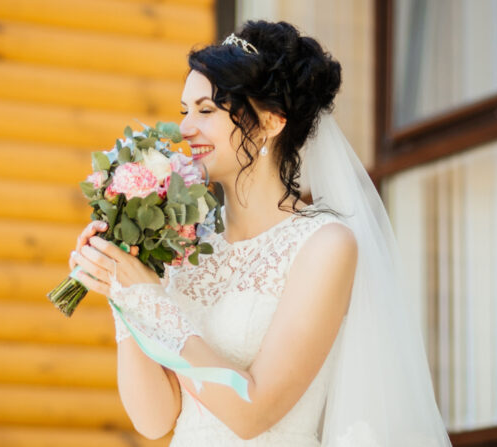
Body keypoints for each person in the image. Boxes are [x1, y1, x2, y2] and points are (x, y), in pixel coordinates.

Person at [69, 20, 452, 447]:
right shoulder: (189, 245)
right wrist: (125, 293)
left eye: (206, 110)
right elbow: (155, 419)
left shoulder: (325, 245)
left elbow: (253, 412)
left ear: (271, 121)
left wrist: (151, 302)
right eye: (184, 111)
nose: (185, 128)